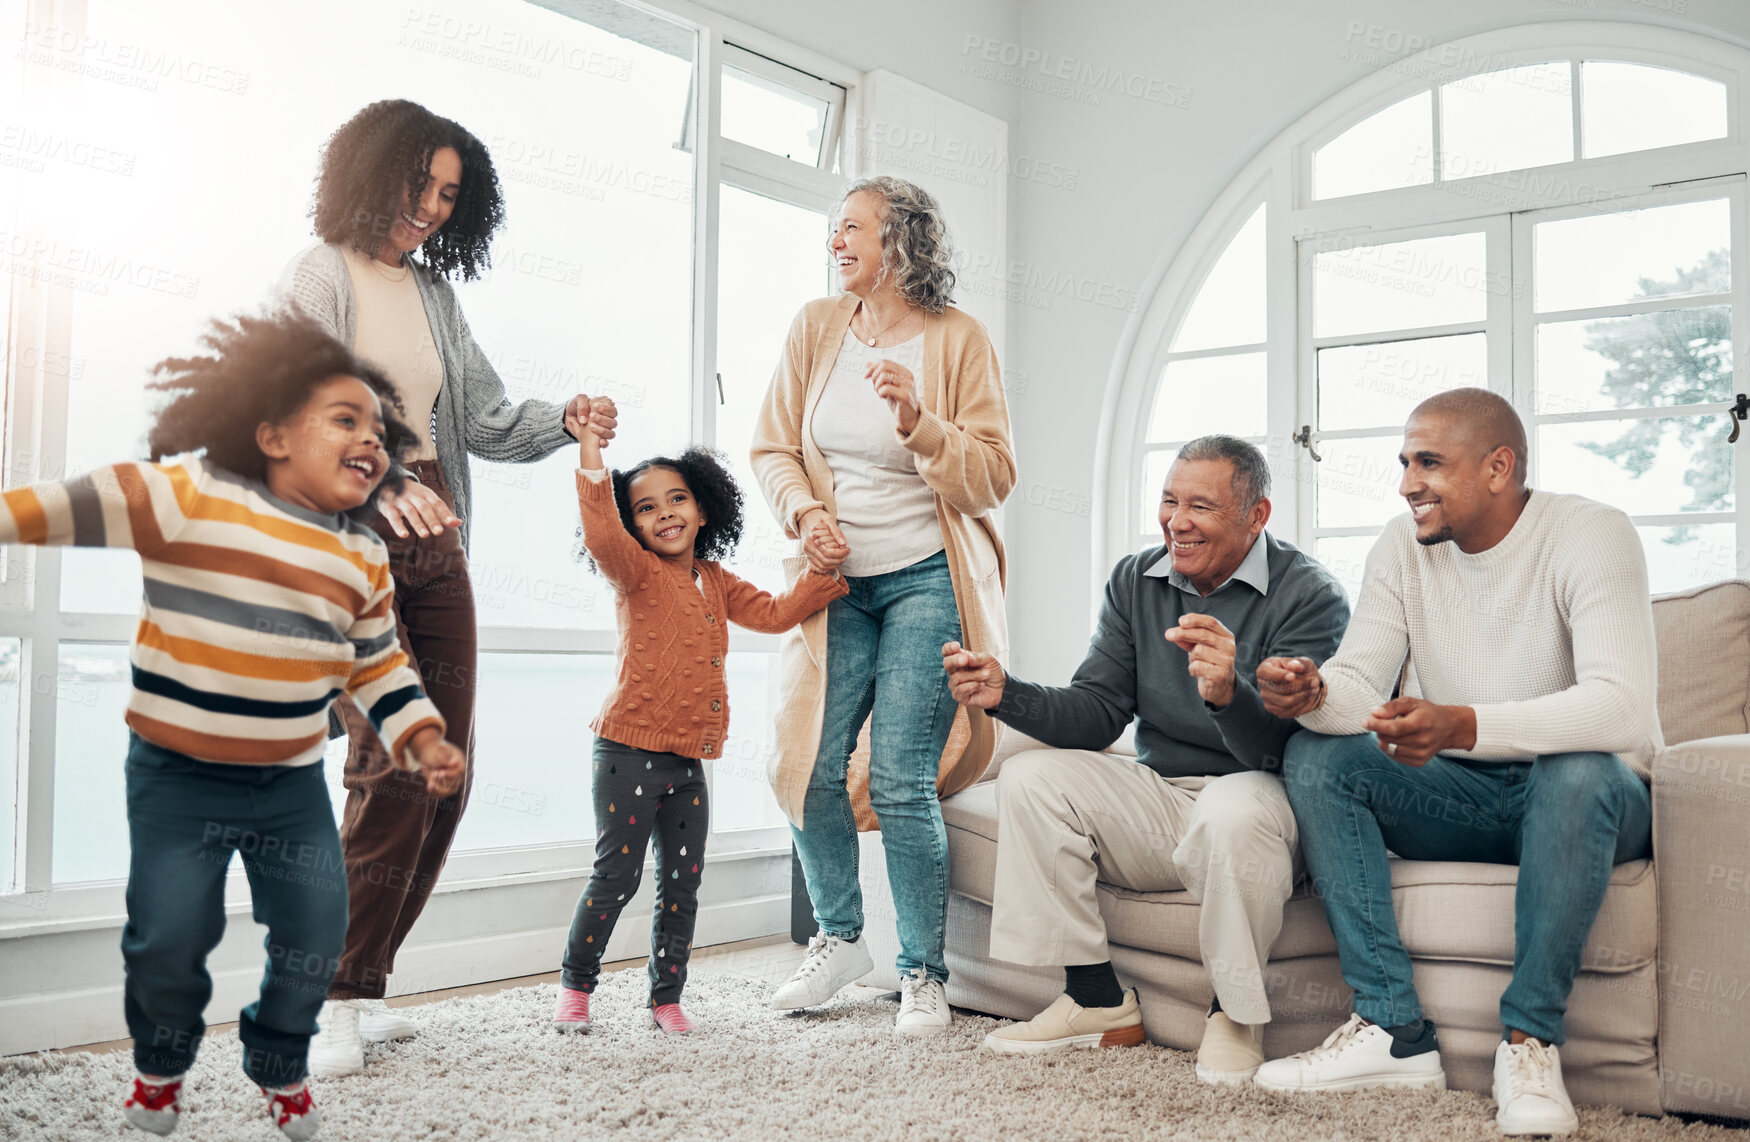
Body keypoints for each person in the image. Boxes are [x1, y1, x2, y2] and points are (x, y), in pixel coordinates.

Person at [0, 312, 465, 1139]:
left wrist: (422, 737)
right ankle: (161, 1060)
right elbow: (60, 508)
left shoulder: (358, 557)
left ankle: (279, 1058)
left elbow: (378, 665)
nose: (372, 442)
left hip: (287, 784)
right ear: (273, 434)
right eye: (345, 420)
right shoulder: (186, 500)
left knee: (318, 926)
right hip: (176, 775)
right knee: (174, 931)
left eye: (379, 430)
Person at [280, 99, 602, 1075]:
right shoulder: (318, 275)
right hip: (353, 541)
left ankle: (363, 975)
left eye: (447, 196)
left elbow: (489, 416)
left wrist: (566, 415)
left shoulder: (431, 296)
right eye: (418, 184)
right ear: (371, 170)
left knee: (441, 769)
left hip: (437, 536)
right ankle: (325, 992)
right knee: (391, 752)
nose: (427, 208)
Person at [1253, 388, 1660, 1138]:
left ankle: (1530, 1042)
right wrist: (1312, 692)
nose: (1408, 482)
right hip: (1464, 798)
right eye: (1405, 462)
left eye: (1429, 462)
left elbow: (1621, 708)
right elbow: (1358, 685)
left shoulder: (1591, 534)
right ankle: (1392, 1030)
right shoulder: (1400, 547)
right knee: (1318, 754)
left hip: (1588, 800)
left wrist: (1465, 724)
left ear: (1499, 466)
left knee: (1578, 770)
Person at [943, 436, 1349, 1081]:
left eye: (1201, 507)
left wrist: (1227, 694)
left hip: (1267, 798)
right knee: (1032, 776)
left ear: (1257, 516)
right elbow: (1100, 709)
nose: (1177, 521)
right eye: (1169, 501)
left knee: (1233, 809)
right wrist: (1008, 694)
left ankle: (1236, 1016)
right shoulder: (1137, 579)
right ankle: (1095, 999)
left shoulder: (1311, 596)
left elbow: (1295, 750)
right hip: (1165, 796)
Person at [751, 175, 1015, 1035]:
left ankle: (922, 972)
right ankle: (839, 937)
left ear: (901, 238)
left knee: (901, 778)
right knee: (806, 766)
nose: (838, 240)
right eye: (835, 228)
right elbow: (773, 447)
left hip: (926, 578)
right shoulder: (816, 328)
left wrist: (918, 421)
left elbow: (993, 473)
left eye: (854, 226)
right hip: (835, 585)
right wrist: (807, 514)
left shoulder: (958, 340)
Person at [559, 402, 847, 1035]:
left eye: (677, 499)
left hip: (687, 761)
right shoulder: (634, 572)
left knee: (682, 884)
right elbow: (601, 533)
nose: (665, 513)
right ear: (632, 527)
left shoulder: (713, 579)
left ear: (703, 508)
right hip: (627, 753)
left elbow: (774, 613)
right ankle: (576, 987)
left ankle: (667, 999)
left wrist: (821, 572)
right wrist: (589, 451)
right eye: (646, 507)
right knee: (617, 877)